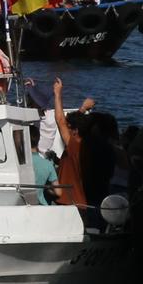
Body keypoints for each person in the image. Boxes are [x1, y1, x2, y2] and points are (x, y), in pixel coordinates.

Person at [51, 78, 97, 208]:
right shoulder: (92, 146)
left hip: (67, 202)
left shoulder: (74, 145)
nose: (67, 128)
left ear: (75, 131)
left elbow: (60, 120)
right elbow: (75, 124)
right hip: (86, 204)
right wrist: (82, 109)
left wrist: (58, 93)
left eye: (70, 127)